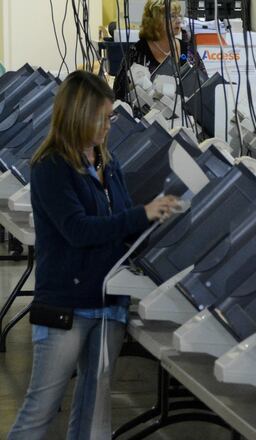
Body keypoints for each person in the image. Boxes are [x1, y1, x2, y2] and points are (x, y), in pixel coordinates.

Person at [7, 70, 180, 440]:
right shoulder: (51, 167)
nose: (107, 126)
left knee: (95, 411)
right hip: (66, 306)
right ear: (77, 115)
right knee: (41, 408)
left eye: (110, 117)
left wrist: (161, 219)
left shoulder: (108, 163)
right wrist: (141, 214)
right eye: (101, 118)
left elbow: (120, 222)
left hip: (108, 304)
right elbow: (79, 230)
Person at [113, 0, 204, 101]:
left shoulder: (188, 51)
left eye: (179, 16)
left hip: (186, 115)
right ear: (156, 20)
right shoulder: (137, 52)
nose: (178, 20)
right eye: (172, 16)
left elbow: (204, 86)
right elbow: (119, 94)